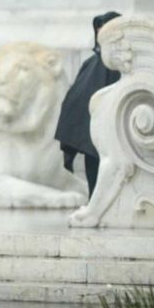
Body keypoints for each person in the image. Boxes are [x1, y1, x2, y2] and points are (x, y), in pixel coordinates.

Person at [54, 11, 122, 199]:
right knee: (95, 183)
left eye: (105, 28)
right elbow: (77, 98)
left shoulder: (121, 65)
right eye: (98, 28)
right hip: (91, 137)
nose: (100, 32)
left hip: (114, 138)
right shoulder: (90, 63)